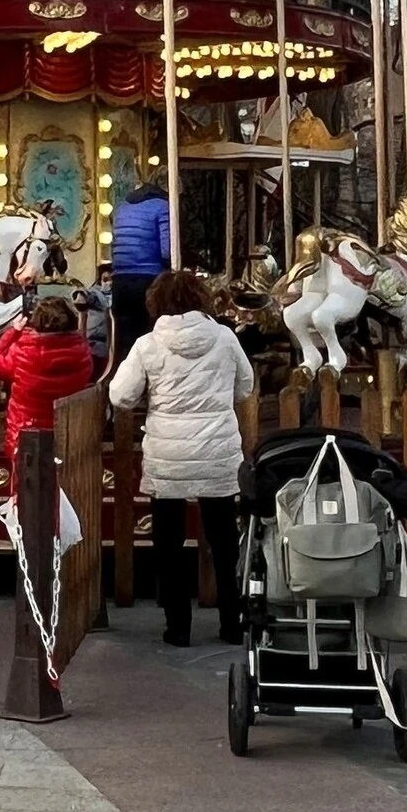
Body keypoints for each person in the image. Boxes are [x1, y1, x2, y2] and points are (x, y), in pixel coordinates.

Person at [110, 268, 254, 647]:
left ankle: (178, 627)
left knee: (169, 544)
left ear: (156, 302)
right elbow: (246, 386)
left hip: (169, 452)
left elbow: (121, 395)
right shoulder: (224, 338)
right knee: (224, 542)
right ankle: (231, 622)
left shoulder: (147, 345)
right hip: (216, 449)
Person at [0, 294, 95, 461]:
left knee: (26, 475)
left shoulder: (23, 354)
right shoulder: (82, 354)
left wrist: (14, 331)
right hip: (68, 434)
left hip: (25, 434)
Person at [109, 169, 172, 364]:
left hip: (120, 281)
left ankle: (124, 377)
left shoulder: (122, 207)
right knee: (150, 339)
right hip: (149, 280)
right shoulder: (162, 206)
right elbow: (167, 251)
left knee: (125, 340)